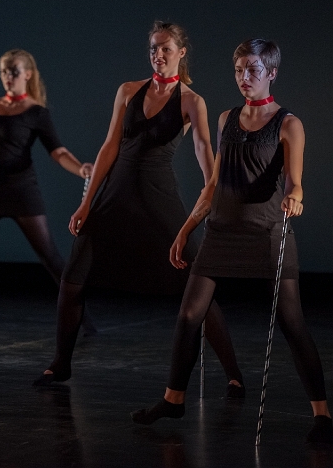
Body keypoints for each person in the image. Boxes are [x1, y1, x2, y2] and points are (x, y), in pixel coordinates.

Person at [131, 39, 331, 444]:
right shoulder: (227, 119)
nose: (244, 77)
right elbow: (213, 184)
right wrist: (187, 228)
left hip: (266, 232)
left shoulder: (288, 123)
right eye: (239, 70)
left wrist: (296, 197)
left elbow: (295, 182)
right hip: (221, 232)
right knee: (189, 316)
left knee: (292, 324)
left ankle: (323, 414)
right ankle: (173, 399)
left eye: (253, 70)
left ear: (272, 73)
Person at [34, 22, 243, 390]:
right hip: (115, 193)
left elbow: (203, 148)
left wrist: (212, 192)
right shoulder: (128, 90)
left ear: (181, 53)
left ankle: (233, 375)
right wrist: (86, 202)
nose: (157, 55)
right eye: (153, 48)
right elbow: (109, 147)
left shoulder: (191, 101)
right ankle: (60, 363)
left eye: (165, 48)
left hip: (157, 195)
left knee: (195, 283)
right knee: (73, 279)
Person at [0, 49, 92, 302]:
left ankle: (80, 314)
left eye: (13, 72)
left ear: (27, 74)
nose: (8, 77)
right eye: (4, 72)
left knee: (50, 257)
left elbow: (58, 152)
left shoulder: (37, 113)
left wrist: (80, 169)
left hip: (22, 191)